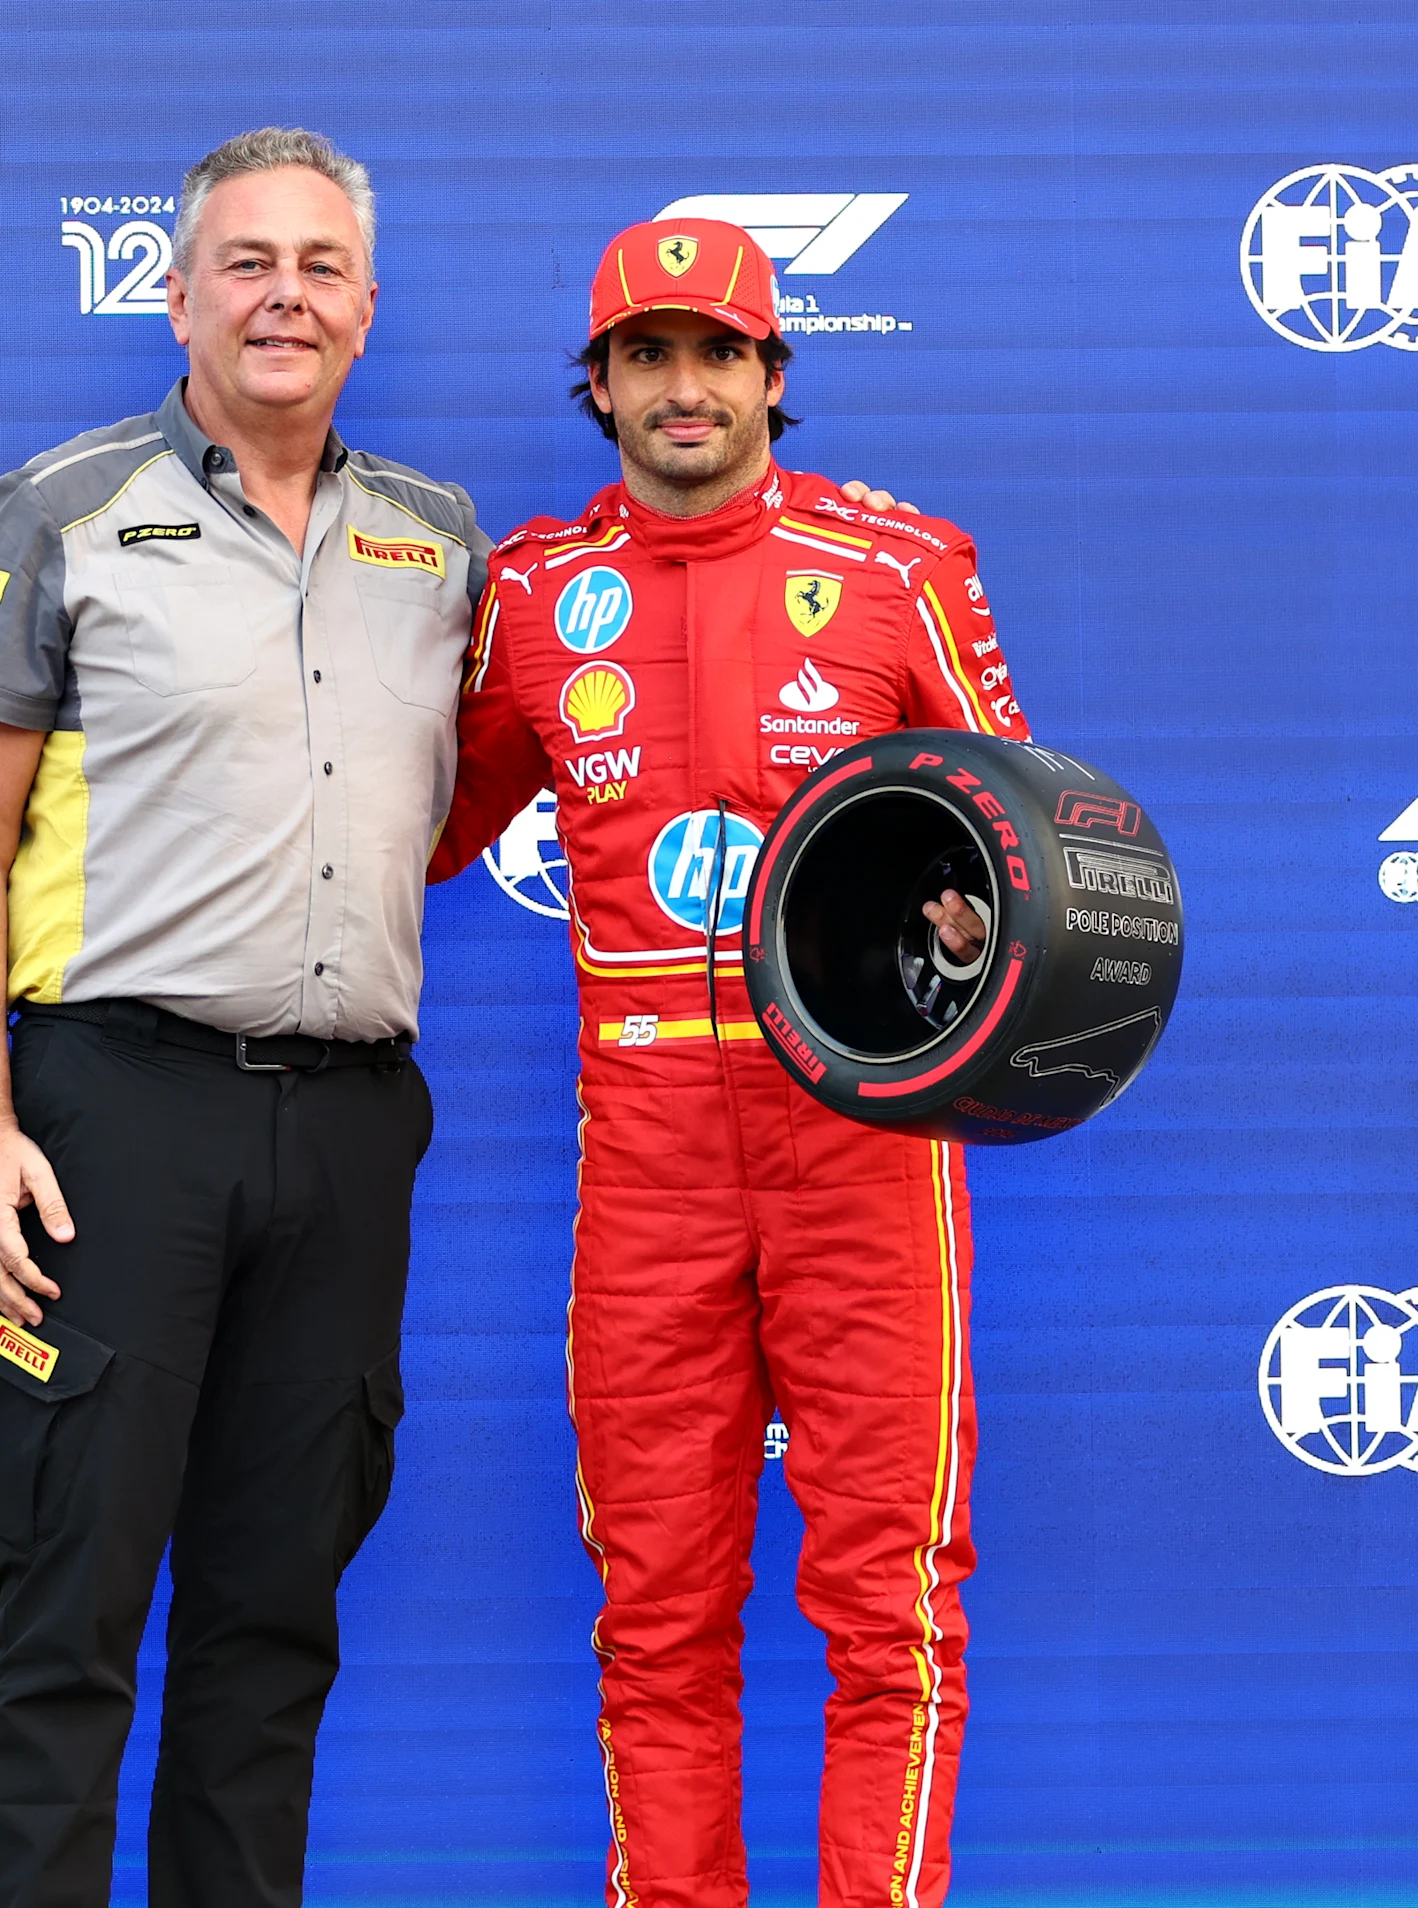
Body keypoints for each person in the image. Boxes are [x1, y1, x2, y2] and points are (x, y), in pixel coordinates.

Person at [426, 216, 1033, 1908]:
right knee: (659, 1610)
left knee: (889, 1604)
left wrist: (979, 932)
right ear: (601, 387)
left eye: (719, 354)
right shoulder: (538, 595)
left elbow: (1027, 850)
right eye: (648, 357)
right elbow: (420, 827)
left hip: (863, 1143)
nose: (684, 389)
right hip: (650, 1163)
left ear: (775, 375)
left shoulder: (904, 566)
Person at [0, 128, 484, 1908]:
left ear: (369, 310)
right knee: (70, 1621)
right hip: (115, 1119)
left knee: (270, 1639)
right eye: (247, 262)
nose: (284, 297)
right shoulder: (64, 509)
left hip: (348, 1126)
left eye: (320, 266)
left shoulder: (441, 544)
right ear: (177, 294)